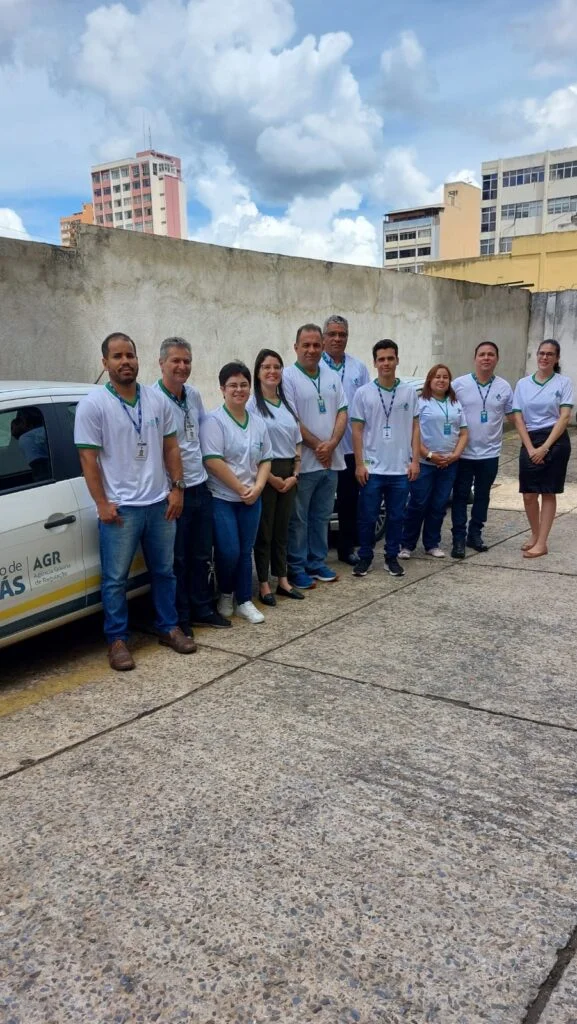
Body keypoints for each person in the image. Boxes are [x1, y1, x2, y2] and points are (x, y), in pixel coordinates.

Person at [74, 332, 197, 671]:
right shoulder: (94, 404)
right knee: (115, 579)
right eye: (117, 356)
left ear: (138, 359)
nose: (125, 361)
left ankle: (168, 628)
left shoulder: (156, 400)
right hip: (121, 510)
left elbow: (171, 447)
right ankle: (117, 640)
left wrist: (177, 488)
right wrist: (102, 503)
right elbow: (88, 459)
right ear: (105, 363)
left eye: (130, 355)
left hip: (160, 503)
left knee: (165, 571)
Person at [154, 336, 231, 634]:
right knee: (179, 558)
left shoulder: (194, 395)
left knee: (201, 555)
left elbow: (199, 434)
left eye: (186, 361)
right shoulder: (154, 399)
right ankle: (181, 616)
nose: (182, 366)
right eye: (175, 360)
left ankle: (202, 608)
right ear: (161, 363)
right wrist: (176, 487)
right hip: (175, 490)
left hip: (200, 486)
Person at [200, 361, 272, 624]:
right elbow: (212, 460)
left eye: (243, 385)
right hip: (223, 498)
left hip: (252, 498)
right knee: (228, 550)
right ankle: (226, 594)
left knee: (245, 551)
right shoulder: (213, 421)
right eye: (233, 385)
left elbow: (266, 459)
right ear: (222, 389)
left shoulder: (258, 423)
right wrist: (242, 488)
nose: (239, 390)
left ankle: (244, 600)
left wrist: (258, 487)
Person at [283, 324, 348, 589]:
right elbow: (291, 418)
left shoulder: (332, 375)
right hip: (304, 463)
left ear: (322, 347)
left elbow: (343, 410)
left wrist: (331, 444)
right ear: (296, 347)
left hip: (331, 461)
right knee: (298, 519)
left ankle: (317, 561)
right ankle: (297, 567)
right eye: (306, 345)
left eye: (316, 345)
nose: (311, 350)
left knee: (321, 516)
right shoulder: (287, 376)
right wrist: (319, 446)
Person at [351, 340, 420, 578]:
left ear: (397, 360)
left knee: (397, 516)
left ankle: (391, 557)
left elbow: (415, 428)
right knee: (368, 517)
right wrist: (359, 464)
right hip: (372, 469)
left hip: (400, 468)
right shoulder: (363, 393)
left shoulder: (409, 392)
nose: (386, 363)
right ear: (375, 363)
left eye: (390, 358)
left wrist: (415, 461)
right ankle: (365, 558)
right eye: (381, 359)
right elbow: (357, 430)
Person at [247, 349, 304, 605]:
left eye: (277, 367)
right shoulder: (252, 406)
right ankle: (263, 584)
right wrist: (271, 479)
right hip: (266, 474)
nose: (272, 371)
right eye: (266, 367)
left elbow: (297, 441)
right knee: (265, 532)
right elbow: (254, 449)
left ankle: (281, 579)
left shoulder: (286, 404)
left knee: (282, 530)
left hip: (289, 472)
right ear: (258, 372)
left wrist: (295, 473)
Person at [451, 342, 514, 558]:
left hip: (490, 453)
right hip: (463, 453)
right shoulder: (459, 384)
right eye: (482, 354)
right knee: (460, 496)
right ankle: (458, 538)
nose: (486, 358)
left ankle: (475, 533)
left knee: (483, 495)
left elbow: (513, 416)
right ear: (475, 358)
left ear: (497, 359)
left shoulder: (504, 387)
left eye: (491, 355)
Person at [512, 339, 573, 559]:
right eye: (541, 353)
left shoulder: (563, 383)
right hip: (530, 439)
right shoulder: (523, 384)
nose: (544, 357)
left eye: (550, 354)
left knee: (548, 491)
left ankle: (542, 542)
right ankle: (535, 534)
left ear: (556, 359)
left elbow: (564, 416)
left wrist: (545, 447)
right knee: (529, 493)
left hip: (554, 440)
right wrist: (530, 448)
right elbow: (517, 417)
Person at [399, 364, 468, 559]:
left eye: (445, 377)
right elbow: (413, 433)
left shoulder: (455, 404)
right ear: (430, 380)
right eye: (437, 376)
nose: (441, 380)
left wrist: (455, 455)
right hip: (425, 463)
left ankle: (432, 543)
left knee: (438, 505)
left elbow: (463, 433)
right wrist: (428, 455)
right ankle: (407, 545)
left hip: (448, 464)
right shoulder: (421, 402)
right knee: (418, 504)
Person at [321, 315, 370, 565]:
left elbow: (366, 406)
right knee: (319, 506)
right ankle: (314, 554)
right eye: (332, 334)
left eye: (342, 334)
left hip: (350, 448)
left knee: (349, 502)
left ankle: (346, 549)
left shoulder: (358, 368)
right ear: (323, 337)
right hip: (321, 450)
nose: (337, 339)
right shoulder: (314, 366)